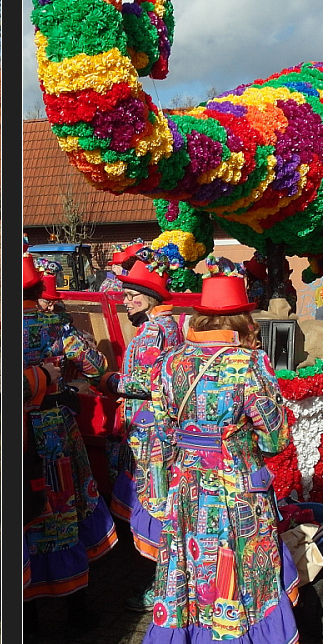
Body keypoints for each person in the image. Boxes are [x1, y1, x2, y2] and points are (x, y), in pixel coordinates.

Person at [138, 258, 298, 644]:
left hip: (185, 490)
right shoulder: (249, 364)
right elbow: (275, 439)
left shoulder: (171, 363)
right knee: (234, 582)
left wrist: (159, 491)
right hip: (233, 493)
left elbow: (158, 433)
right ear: (242, 319)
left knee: (188, 580)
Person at [21, 254, 116, 616]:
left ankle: (27, 603)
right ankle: (74, 603)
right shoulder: (57, 329)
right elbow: (96, 367)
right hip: (53, 430)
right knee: (61, 505)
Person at [97, 250, 183, 608]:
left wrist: (107, 380)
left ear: (150, 299)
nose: (126, 301)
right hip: (162, 429)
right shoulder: (172, 327)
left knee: (155, 507)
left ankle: (164, 587)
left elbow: (144, 382)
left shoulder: (151, 332)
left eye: (132, 296)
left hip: (150, 437)